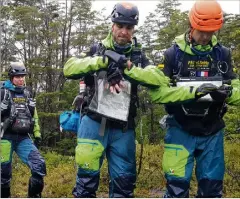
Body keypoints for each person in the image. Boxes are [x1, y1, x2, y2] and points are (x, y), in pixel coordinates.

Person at [63, 2, 219, 197]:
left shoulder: (137, 56)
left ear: (134, 29)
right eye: (120, 26)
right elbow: (69, 68)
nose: (123, 31)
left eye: (128, 27)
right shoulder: (98, 49)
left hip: (123, 128)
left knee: (124, 185)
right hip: (94, 123)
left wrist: (128, 67)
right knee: (86, 182)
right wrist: (104, 61)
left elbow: (158, 79)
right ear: (112, 26)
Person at [160, 0, 240, 197]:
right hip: (179, 129)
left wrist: (228, 93)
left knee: (212, 190)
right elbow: (159, 92)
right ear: (192, 25)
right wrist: (193, 92)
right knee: (176, 190)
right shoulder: (172, 55)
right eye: (201, 31)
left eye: (210, 32)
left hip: (212, 131)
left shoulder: (222, 54)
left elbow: (237, 86)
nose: (205, 37)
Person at [0, 62, 46, 198]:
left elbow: (34, 115)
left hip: (23, 138)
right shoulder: (2, 92)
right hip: (5, 137)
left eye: (22, 76)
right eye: (17, 76)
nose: (21, 79)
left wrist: (37, 133)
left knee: (39, 165)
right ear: (11, 77)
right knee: (3, 173)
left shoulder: (27, 93)